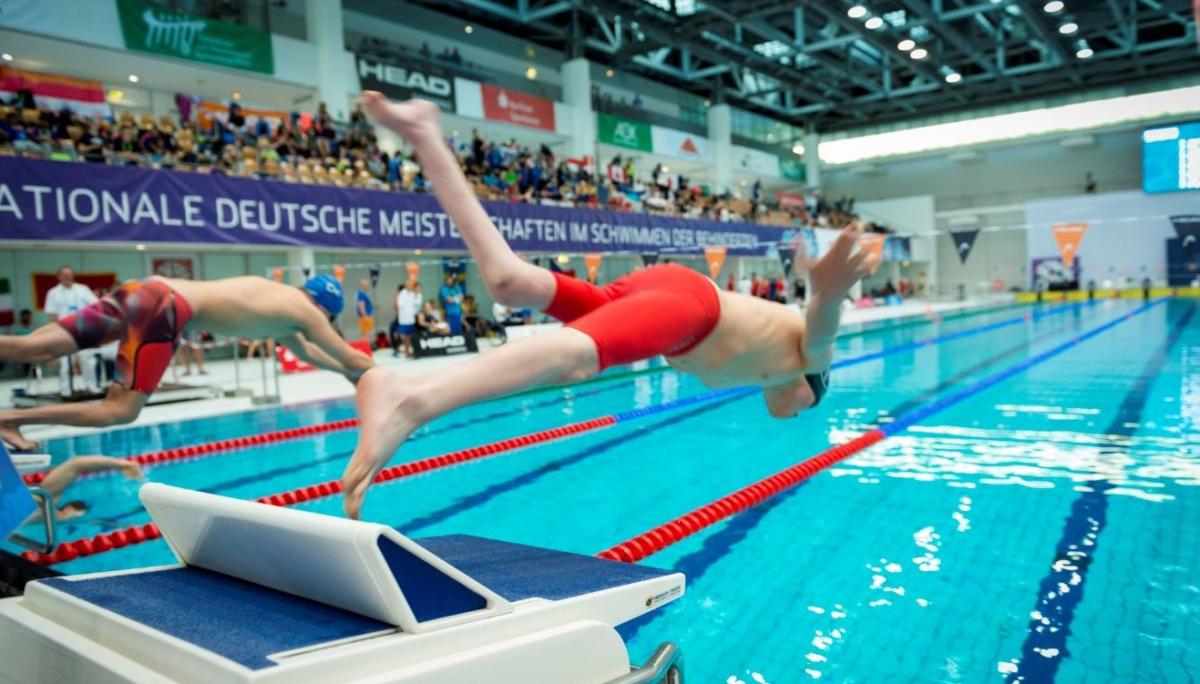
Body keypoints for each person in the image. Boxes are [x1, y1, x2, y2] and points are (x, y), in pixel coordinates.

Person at [341, 93, 877, 518]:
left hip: (662, 300)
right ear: (809, 393)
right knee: (576, 358)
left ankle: (423, 132)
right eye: (806, 408)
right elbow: (822, 329)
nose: (794, 415)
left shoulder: (765, 370)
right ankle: (411, 397)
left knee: (508, 282)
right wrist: (827, 294)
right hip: (690, 308)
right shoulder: (807, 363)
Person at [0, 275, 373, 451]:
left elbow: (311, 352)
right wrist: (370, 376)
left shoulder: (286, 301)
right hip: (165, 308)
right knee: (120, 411)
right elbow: (350, 355)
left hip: (144, 290)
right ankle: (9, 420)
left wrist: (346, 374)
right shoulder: (308, 314)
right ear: (326, 310)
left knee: (33, 348)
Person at [22, 455, 143, 523]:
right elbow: (77, 464)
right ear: (68, 509)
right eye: (79, 515)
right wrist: (125, 465)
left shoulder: (46, 515)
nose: (79, 519)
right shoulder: (44, 503)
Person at [43, 266, 100, 396]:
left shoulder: (83, 289)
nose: (67, 277)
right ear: (58, 276)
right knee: (65, 363)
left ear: (73, 276)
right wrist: (56, 333)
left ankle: (91, 387)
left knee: (89, 361)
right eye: (64, 275)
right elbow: (52, 315)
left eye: (69, 274)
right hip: (65, 332)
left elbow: (96, 306)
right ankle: (66, 390)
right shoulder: (53, 293)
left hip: (84, 330)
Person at [393, 282, 422, 358]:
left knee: (410, 336)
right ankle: (403, 351)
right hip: (403, 320)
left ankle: (410, 351)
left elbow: (417, 305)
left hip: (411, 319)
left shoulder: (415, 295)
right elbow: (399, 305)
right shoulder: (402, 294)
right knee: (403, 336)